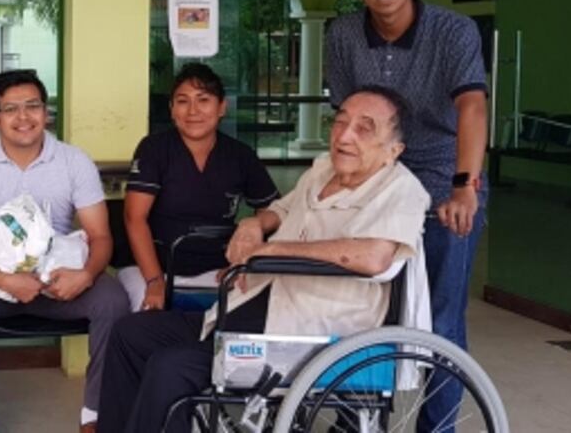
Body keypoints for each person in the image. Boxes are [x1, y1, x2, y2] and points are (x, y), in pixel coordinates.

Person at [97, 87, 430, 433]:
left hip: (313, 329)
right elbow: (281, 209)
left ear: (394, 150)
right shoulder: (323, 171)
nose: (344, 136)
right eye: (340, 122)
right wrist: (254, 224)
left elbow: (374, 257)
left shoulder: (401, 190)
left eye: (364, 128)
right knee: (130, 333)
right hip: (258, 304)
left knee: (171, 367)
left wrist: (274, 250)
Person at [325, 0, 489, 429]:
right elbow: (349, 114)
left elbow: (472, 105)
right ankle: (356, 420)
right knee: (357, 308)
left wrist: (465, 186)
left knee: (440, 320)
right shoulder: (343, 35)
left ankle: (435, 428)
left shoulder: (454, 31)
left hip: (443, 180)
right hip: (375, 181)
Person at [0, 69, 130, 433]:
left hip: (58, 282)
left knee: (113, 300)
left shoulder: (74, 161)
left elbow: (101, 237)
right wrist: (4, 280)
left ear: (46, 112)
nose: (23, 117)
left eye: (32, 106)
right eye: (11, 109)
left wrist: (85, 275)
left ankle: (95, 414)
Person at [121, 63, 279, 311]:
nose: (193, 111)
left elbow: (274, 211)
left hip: (219, 268)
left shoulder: (240, 156)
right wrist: (154, 281)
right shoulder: (154, 149)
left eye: (203, 100)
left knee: (253, 312)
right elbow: (134, 217)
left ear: (222, 107)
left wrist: (241, 263)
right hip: (154, 267)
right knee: (149, 316)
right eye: (183, 101)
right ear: (172, 109)